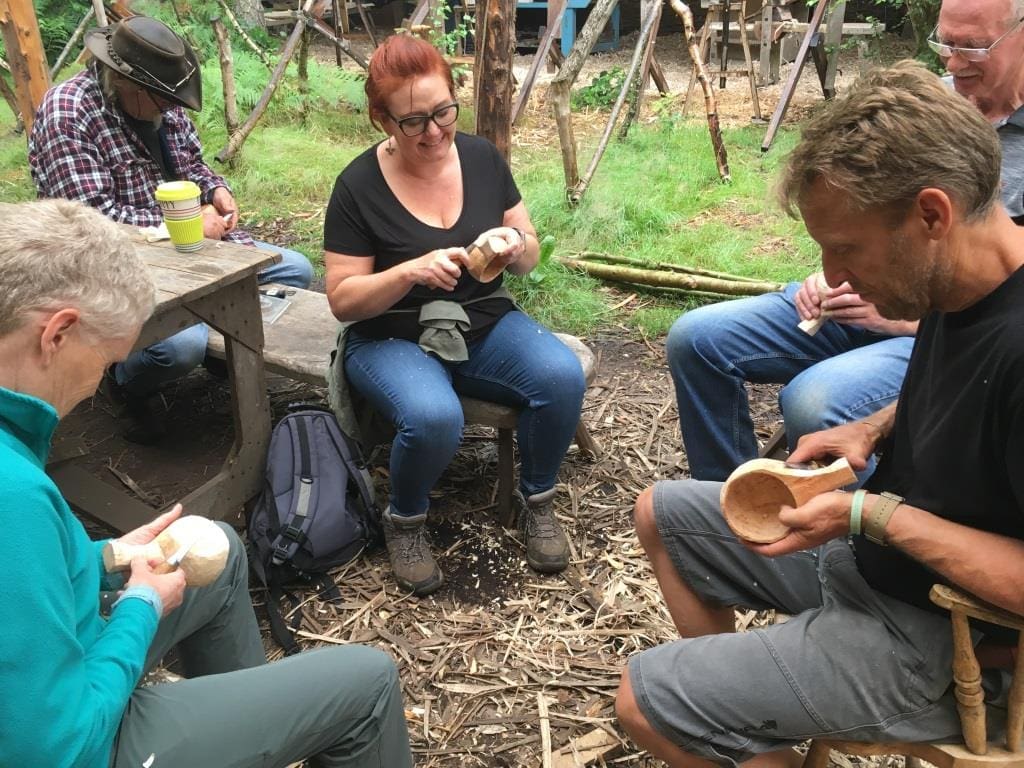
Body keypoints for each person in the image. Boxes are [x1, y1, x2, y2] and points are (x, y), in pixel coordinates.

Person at [616, 61, 1024, 767]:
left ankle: (727, 717)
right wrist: (874, 426)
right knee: (664, 514)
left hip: (947, 639)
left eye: (846, 249)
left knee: (643, 700)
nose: (833, 278)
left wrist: (869, 515)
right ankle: (745, 724)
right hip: (884, 568)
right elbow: (975, 391)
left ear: (933, 214)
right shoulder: (969, 277)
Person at [0, 199, 412, 768]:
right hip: (81, 744)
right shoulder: (12, 494)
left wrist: (113, 556)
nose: (96, 387)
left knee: (219, 552)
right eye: (104, 361)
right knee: (367, 682)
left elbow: (24, 576)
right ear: (58, 334)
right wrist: (140, 606)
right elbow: (54, 746)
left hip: (54, 680)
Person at [666, 0, 1024, 482]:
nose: (954, 62)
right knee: (698, 339)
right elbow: (862, 217)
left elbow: (994, 289)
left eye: (973, 47)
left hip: (935, 315)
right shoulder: (929, 106)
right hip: (871, 289)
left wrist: (903, 321)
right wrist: (829, 275)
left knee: (815, 401)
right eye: (946, 43)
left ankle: (849, 528)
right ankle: (734, 503)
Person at [323, 34, 586, 597]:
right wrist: (408, 273)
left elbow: (531, 254)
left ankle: (536, 500)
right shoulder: (357, 186)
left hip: (482, 321)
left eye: (443, 111)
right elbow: (343, 300)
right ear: (382, 119)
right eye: (414, 121)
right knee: (433, 415)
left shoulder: (482, 157)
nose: (435, 131)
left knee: (561, 377)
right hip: (391, 335)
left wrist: (516, 243)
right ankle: (406, 520)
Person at [27, 15, 314, 443]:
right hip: (115, 268)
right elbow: (89, 222)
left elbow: (194, 164)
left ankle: (226, 356)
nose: (172, 108)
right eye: (163, 98)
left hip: (192, 253)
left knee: (296, 270)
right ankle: (124, 383)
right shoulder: (67, 114)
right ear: (126, 84)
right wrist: (185, 225)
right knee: (177, 349)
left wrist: (216, 189)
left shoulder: (164, 104)